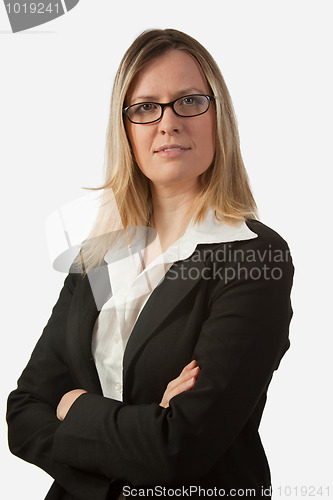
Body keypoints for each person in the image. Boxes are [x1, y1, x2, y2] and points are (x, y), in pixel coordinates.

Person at [6, 29, 294, 500]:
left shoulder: (255, 256)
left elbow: (179, 450)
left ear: (217, 116)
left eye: (189, 101)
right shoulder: (97, 256)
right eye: (145, 107)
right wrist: (145, 430)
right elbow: (23, 413)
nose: (168, 123)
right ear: (126, 130)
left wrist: (75, 407)